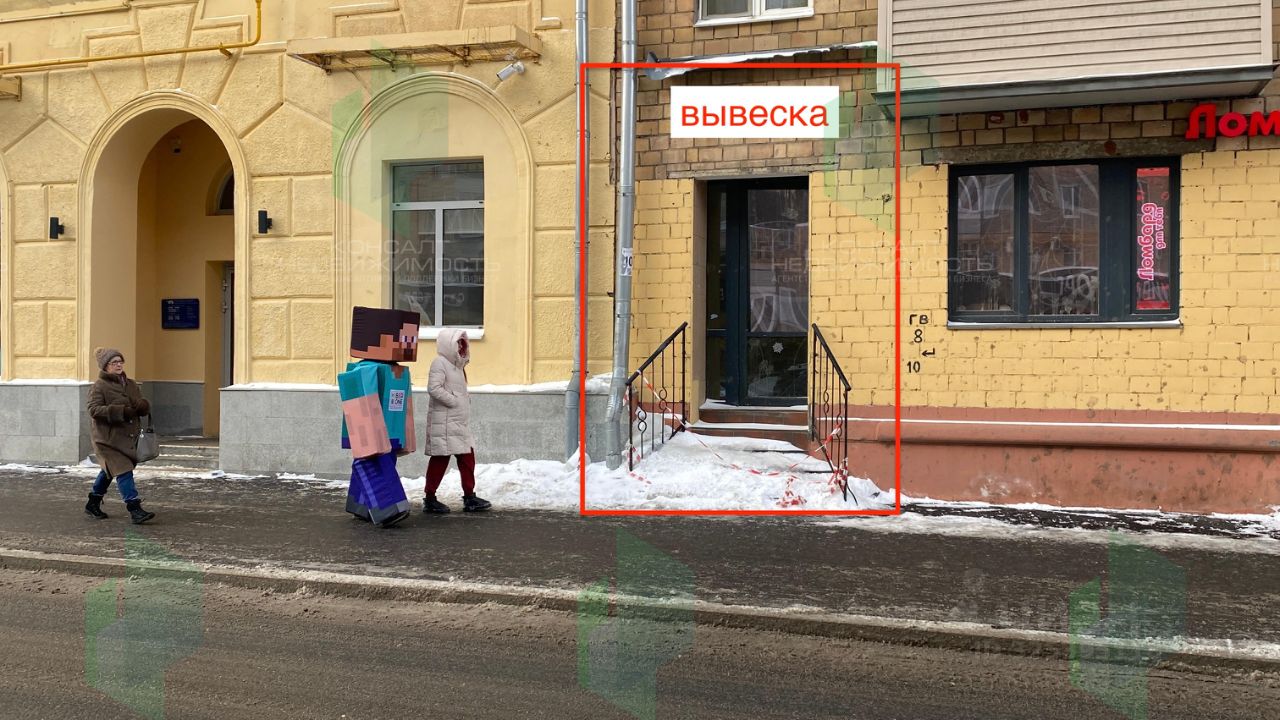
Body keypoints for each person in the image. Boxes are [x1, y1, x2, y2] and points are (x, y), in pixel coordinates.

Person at [338, 307, 419, 528]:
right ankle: (388, 508)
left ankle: (360, 505)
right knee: (372, 462)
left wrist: (406, 434)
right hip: (372, 433)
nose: (408, 344)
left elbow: (404, 401)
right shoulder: (364, 369)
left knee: (384, 460)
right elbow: (359, 399)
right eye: (404, 338)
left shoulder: (396, 370)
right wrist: (366, 437)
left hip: (391, 431)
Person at [423, 329, 491, 513]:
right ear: (449, 344)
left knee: (468, 458)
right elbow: (434, 388)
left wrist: (461, 402)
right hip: (445, 423)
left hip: (458, 423)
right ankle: (430, 499)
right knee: (440, 459)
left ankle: (470, 497)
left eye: (463, 343)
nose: (461, 346)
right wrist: (454, 401)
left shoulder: (458, 367)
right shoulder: (440, 363)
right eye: (458, 343)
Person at [85, 348, 156, 524]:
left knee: (109, 471)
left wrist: (143, 406)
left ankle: (93, 502)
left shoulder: (130, 384)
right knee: (124, 470)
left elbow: (140, 403)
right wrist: (120, 411)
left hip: (127, 437)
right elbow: (93, 410)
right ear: (105, 366)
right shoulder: (99, 386)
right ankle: (134, 508)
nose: (118, 365)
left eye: (120, 361)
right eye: (114, 362)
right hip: (107, 440)